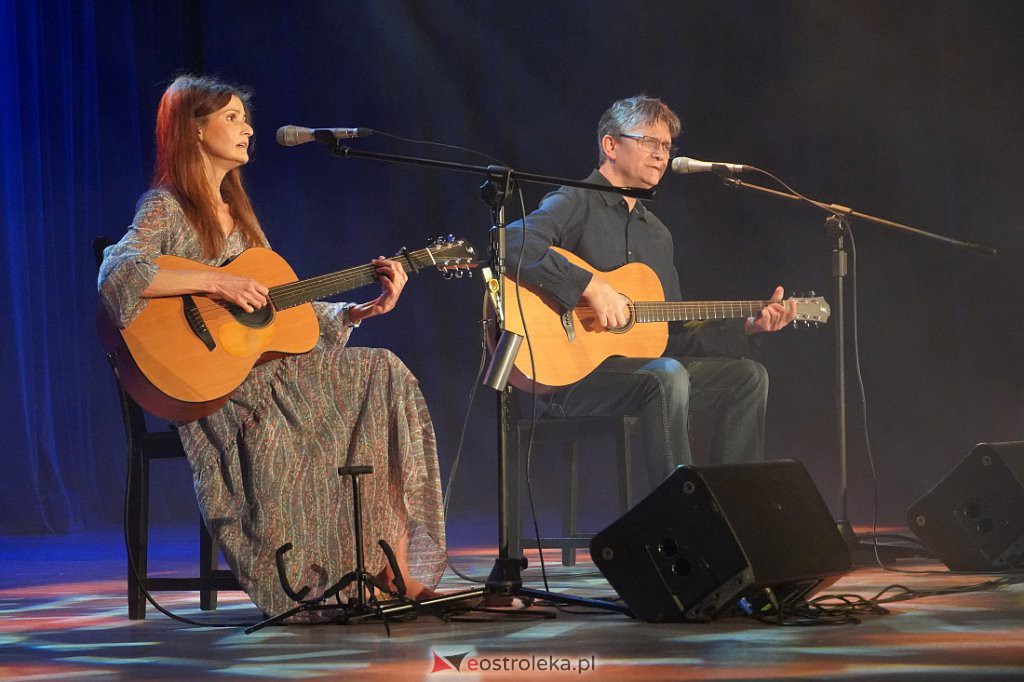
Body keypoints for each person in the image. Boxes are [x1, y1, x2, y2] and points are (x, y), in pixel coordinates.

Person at [98, 74, 445, 619]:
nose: (248, 129)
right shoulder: (165, 206)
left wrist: (360, 310)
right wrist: (215, 282)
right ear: (193, 128)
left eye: (245, 118)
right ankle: (379, 571)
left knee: (381, 375)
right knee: (381, 372)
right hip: (212, 388)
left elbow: (281, 318)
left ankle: (388, 567)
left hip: (262, 375)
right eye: (232, 117)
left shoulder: (243, 220)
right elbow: (117, 274)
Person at [506, 95, 797, 492]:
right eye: (649, 142)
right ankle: (681, 511)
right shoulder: (574, 200)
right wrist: (589, 286)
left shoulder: (658, 235)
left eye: (666, 147)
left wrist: (747, 328)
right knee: (666, 376)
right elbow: (510, 242)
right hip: (567, 380)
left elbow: (671, 335)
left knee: (747, 377)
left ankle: (732, 509)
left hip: (644, 373)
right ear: (610, 145)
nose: (661, 155)